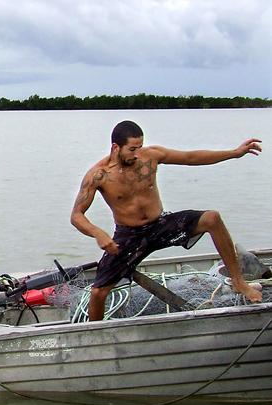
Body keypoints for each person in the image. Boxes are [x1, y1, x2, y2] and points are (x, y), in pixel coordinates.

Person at [70, 120, 263, 321]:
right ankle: (96, 333)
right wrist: (98, 233)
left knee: (212, 218)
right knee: (98, 293)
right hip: (129, 235)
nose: (136, 154)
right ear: (115, 147)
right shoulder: (98, 175)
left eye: (140, 147)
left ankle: (239, 282)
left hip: (160, 225)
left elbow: (191, 157)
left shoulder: (151, 156)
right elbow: (76, 215)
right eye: (132, 149)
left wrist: (234, 153)